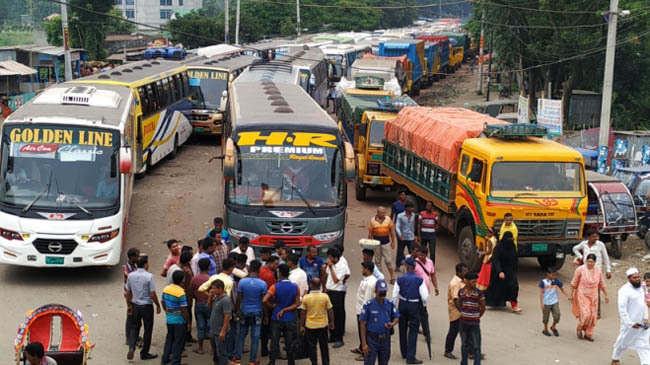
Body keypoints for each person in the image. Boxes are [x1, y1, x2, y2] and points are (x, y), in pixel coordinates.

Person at [392, 257, 428, 364]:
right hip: (414, 305)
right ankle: (410, 356)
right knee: (413, 331)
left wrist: (394, 309)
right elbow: (425, 297)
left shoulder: (400, 279)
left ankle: (404, 352)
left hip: (403, 304)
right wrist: (423, 305)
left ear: (407, 267)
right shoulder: (419, 280)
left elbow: (394, 295)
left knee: (402, 329)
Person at [126, 256, 161, 361]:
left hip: (135, 305)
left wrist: (129, 305)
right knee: (148, 329)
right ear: (146, 265)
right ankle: (144, 353)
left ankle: (132, 346)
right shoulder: (149, 276)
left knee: (134, 327)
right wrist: (158, 305)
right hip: (147, 307)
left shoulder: (131, 276)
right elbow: (152, 294)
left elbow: (128, 292)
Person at [612, 268, 650, 364]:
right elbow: (622, 309)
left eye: (638, 277)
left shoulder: (642, 288)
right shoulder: (624, 291)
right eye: (634, 277)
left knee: (644, 345)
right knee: (623, 342)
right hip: (631, 324)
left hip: (644, 323)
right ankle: (615, 358)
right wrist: (630, 323)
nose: (637, 279)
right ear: (629, 278)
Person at [264, 264, 300, 365]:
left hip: (276, 317)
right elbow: (297, 304)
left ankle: (272, 361)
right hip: (290, 318)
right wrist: (285, 309)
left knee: (274, 340)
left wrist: (272, 306)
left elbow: (264, 299)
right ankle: (291, 361)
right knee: (289, 341)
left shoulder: (274, 287)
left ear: (279, 273)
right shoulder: (295, 287)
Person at [360, 279, 399, 365]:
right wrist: (364, 344)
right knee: (369, 362)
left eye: (384, 291)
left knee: (384, 362)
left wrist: (392, 324)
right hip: (372, 339)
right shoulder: (368, 305)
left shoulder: (390, 304)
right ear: (376, 290)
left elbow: (396, 317)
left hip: (385, 339)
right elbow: (362, 324)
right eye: (381, 291)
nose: (382, 294)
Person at [570, 253, 609, 341]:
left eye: (592, 262)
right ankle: (580, 328)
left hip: (594, 296)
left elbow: (602, 283)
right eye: (588, 261)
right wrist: (571, 294)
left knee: (592, 316)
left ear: (595, 262)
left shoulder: (598, 270)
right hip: (582, 294)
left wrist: (606, 295)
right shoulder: (580, 269)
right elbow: (574, 282)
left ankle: (588, 333)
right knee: (586, 314)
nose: (590, 263)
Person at [236, 260, 268, 365]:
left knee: (241, 335)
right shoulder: (263, 284)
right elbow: (264, 301)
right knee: (255, 337)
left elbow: (239, 299)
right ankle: (252, 361)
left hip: (245, 311)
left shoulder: (242, 282)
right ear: (259, 270)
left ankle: (237, 359)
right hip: (257, 313)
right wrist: (266, 315)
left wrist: (237, 310)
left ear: (249, 269)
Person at [300, 278, 335, 365]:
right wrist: (332, 322)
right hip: (322, 325)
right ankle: (326, 362)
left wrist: (301, 325)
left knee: (312, 347)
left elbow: (303, 313)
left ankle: (314, 362)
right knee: (324, 346)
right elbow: (330, 310)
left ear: (311, 286)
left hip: (310, 326)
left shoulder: (306, 298)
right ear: (320, 286)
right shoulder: (325, 296)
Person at [485, 231, 521, 312]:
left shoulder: (512, 245)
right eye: (508, 238)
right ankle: (484, 301)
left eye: (511, 238)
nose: (510, 240)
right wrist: (500, 271)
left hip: (510, 270)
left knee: (514, 286)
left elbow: (515, 257)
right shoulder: (498, 247)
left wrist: (515, 269)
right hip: (500, 270)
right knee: (497, 288)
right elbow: (496, 260)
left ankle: (514, 305)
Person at [455, 272, 486, 365]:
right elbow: (458, 303)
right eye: (473, 281)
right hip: (463, 323)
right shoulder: (461, 292)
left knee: (476, 346)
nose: (475, 283)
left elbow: (483, 308)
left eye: (476, 281)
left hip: (474, 324)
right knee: (464, 345)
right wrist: (464, 312)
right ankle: (464, 362)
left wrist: (476, 316)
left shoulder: (479, 293)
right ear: (466, 281)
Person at [161, 270, 190, 365]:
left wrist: (168, 311)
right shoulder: (181, 293)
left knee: (169, 339)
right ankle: (175, 362)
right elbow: (184, 310)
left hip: (169, 319)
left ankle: (164, 359)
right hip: (179, 321)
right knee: (178, 342)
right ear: (182, 280)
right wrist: (188, 322)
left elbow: (163, 302)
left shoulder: (166, 289)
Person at [325, 247, 350, 348]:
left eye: (330, 257)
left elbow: (336, 280)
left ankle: (339, 338)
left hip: (338, 292)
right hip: (330, 291)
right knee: (331, 314)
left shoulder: (342, 266)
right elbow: (328, 275)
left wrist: (330, 268)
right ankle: (332, 335)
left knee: (338, 315)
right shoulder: (331, 265)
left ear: (333, 257)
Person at [353, 261, 378, 361]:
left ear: (367, 270)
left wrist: (364, 314)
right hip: (360, 309)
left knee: (364, 333)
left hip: (363, 311)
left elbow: (367, 300)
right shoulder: (368, 280)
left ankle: (365, 353)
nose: (362, 270)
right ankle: (362, 349)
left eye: (363, 268)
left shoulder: (370, 283)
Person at [444, 263, 469, 360]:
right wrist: (462, 311)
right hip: (456, 311)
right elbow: (456, 300)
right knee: (453, 331)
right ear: (459, 272)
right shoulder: (455, 283)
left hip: (463, 310)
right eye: (465, 271)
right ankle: (448, 350)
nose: (466, 272)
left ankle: (471, 351)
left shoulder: (463, 281)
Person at [188, 258, 212, 355]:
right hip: (209, 305)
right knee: (210, 326)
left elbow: (190, 292)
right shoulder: (210, 279)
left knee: (200, 326)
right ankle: (213, 349)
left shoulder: (194, 279)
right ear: (208, 267)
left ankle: (200, 348)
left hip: (198, 304)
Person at [368, 207, 395, 284]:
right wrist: (369, 244)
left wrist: (393, 242)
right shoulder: (372, 220)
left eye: (384, 212)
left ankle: (392, 277)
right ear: (378, 213)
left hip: (386, 242)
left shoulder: (388, 219)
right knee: (377, 261)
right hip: (376, 243)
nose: (384, 214)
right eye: (382, 213)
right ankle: (380, 278)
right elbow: (370, 233)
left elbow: (392, 231)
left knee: (388, 260)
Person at [539, 269, 569, 337]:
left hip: (554, 301)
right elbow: (541, 293)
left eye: (555, 275)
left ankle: (553, 327)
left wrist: (568, 296)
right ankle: (545, 330)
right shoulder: (543, 282)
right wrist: (542, 303)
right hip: (546, 302)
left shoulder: (556, 281)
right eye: (552, 275)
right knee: (546, 318)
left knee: (557, 315)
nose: (554, 276)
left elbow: (562, 288)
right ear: (548, 274)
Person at [209, 279, 233, 365]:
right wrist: (210, 296)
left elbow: (227, 316)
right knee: (216, 350)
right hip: (214, 330)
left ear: (220, 289)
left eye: (214, 288)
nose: (212, 290)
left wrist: (223, 331)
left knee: (222, 352)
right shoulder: (216, 297)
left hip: (220, 330)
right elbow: (209, 306)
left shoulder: (225, 300)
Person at [259, 256, 279, 357]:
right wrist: (272, 305)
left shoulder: (261, 270)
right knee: (272, 329)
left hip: (260, 304)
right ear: (270, 263)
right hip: (268, 305)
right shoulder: (269, 275)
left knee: (263, 329)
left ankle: (263, 349)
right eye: (276, 264)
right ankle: (273, 351)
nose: (277, 266)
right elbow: (272, 293)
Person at [395, 202, 418, 273]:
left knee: (412, 252)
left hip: (410, 237)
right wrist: (399, 235)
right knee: (400, 251)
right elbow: (397, 226)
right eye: (411, 208)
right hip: (402, 237)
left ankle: (412, 266)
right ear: (407, 208)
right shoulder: (400, 216)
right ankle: (398, 266)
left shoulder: (413, 215)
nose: (413, 209)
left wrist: (415, 235)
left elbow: (414, 225)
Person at [124, 248, 140, 344]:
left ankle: (132, 337)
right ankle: (129, 338)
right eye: (137, 256)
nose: (138, 258)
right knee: (131, 317)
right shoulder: (130, 270)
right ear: (132, 257)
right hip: (131, 296)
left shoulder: (132, 266)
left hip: (131, 295)